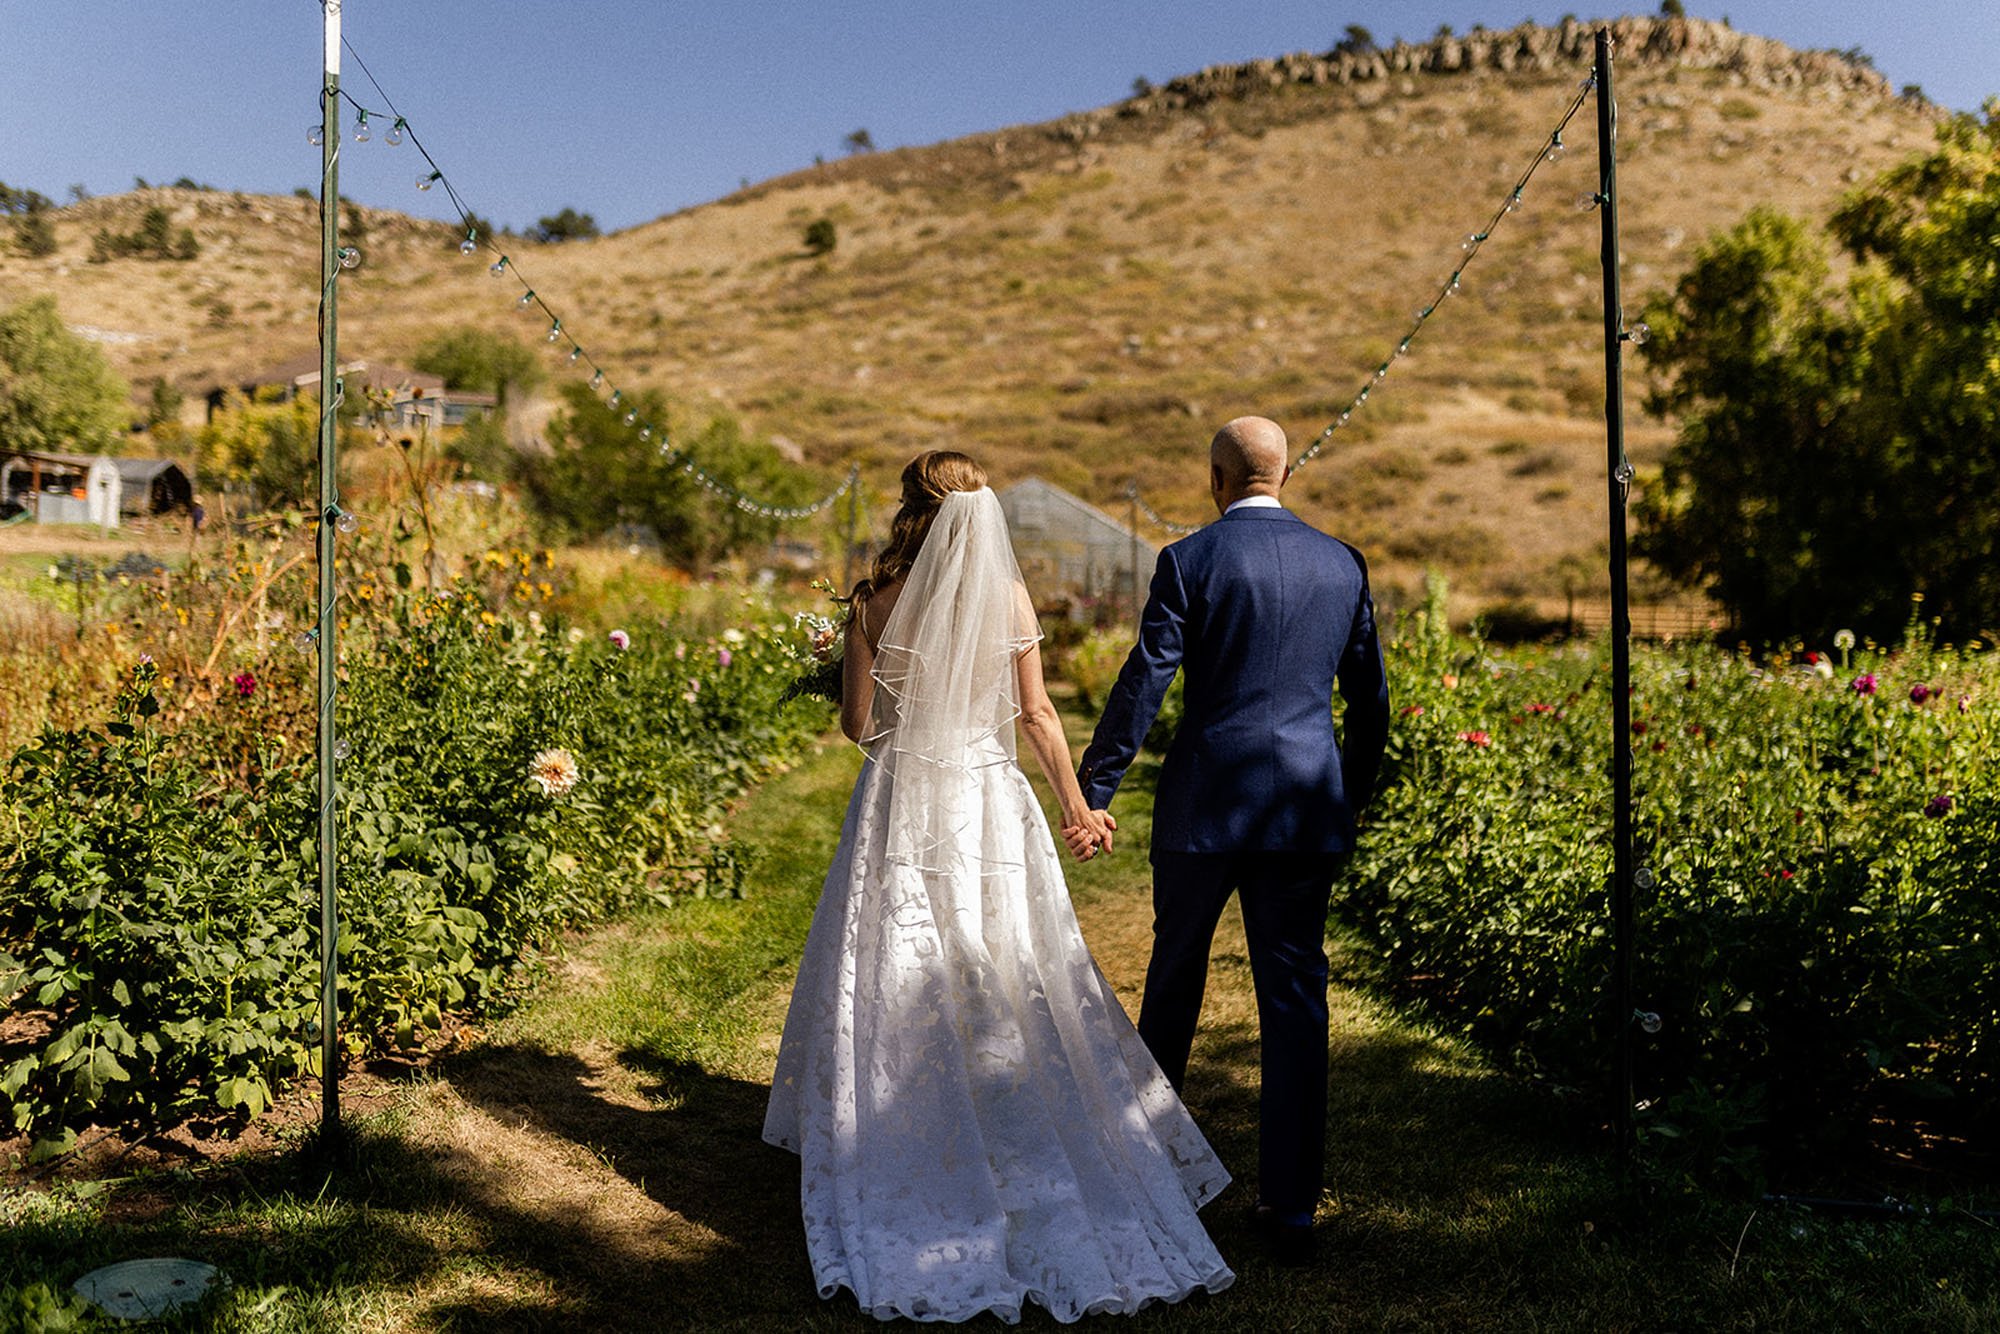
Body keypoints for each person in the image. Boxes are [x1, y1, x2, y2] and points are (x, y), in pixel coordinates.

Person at [763, 451, 1234, 1323]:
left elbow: (860, 726)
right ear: (980, 515)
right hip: (988, 798)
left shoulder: (872, 600)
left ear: (912, 508)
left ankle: (903, 1129)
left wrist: (880, 681)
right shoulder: (1009, 599)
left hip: (903, 797)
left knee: (901, 957)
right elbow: (1039, 716)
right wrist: (1078, 808)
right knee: (1011, 960)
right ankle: (1009, 1109)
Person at [1076, 415, 1389, 1266]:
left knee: (1173, 984)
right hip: (1302, 812)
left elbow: (1146, 680)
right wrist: (1344, 798)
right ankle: (1290, 1206)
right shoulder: (1343, 563)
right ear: (1282, 474)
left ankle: (1156, 1179)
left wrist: (1092, 788)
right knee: (1295, 1003)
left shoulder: (1190, 560)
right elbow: (1370, 703)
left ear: (1218, 477)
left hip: (1204, 810)